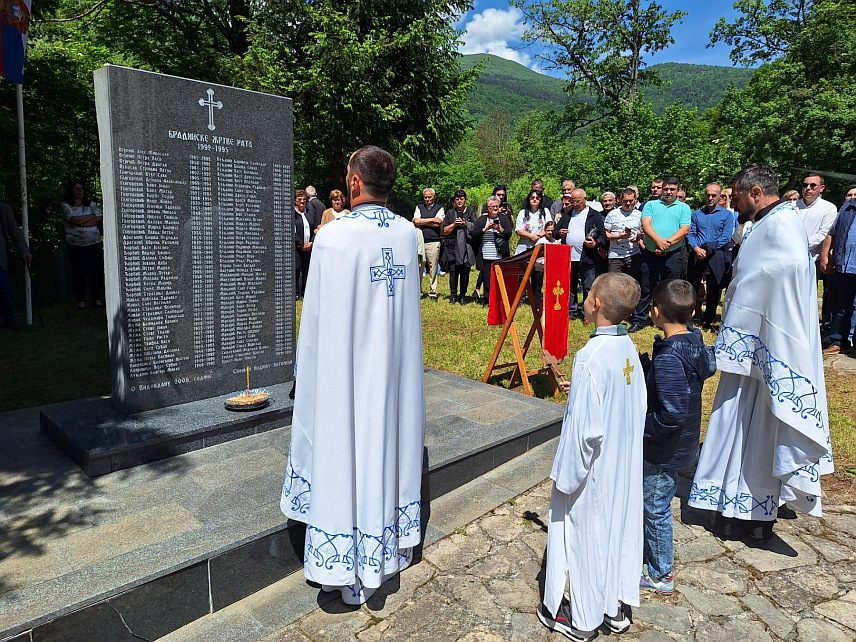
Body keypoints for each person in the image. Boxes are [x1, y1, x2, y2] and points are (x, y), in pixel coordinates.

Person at [280, 145, 424, 605]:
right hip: (393, 375)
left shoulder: (333, 237)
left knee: (345, 453)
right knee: (385, 448)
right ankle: (386, 552)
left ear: (355, 183)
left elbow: (317, 315)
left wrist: (306, 371)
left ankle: (345, 567)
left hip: (346, 373)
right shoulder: (406, 234)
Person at [689, 163, 833, 541]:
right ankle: (729, 505)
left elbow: (777, 277)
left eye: (735, 196)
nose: (731, 202)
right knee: (737, 423)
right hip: (752, 346)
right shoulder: (769, 223)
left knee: (760, 428)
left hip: (769, 346)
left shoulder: (781, 225)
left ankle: (752, 515)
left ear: (755, 193)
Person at [539, 272, 646, 641]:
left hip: (593, 472)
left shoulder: (589, 357)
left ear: (597, 304)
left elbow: (585, 433)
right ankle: (614, 607)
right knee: (617, 532)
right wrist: (577, 390)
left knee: (585, 537)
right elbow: (617, 400)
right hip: (623, 462)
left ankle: (583, 619)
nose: (583, 300)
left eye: (586, 296)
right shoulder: (627, 346)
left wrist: (565, 478)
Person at [638, 279, 716, 595]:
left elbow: (671, 414)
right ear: (693, 311)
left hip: (664, 447)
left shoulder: (670, 358)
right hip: (681, 445)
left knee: (656, 508)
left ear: (655, 312)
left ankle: (661, 574)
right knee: (659, 498)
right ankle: (654, 559)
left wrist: (641, 427)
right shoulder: (695, 343)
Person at [633, 177, 691, 333]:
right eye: (666, 189)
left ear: (678, 191)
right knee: (646, 287)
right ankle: (640, 320)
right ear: (662, 189)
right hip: (650, 253)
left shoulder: (684, 208)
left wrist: (667, 244)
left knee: (671, 288)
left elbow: (684, 229)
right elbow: (646, 224)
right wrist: (658, 241)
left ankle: (669, 319)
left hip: (672, 253)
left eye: (672, 189)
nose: (669, 192)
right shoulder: (651, 205)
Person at [686, 183, 735, 329]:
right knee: (692, 287)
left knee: (714, 289)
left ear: (720, 197)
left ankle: (708, 320)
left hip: (716, 255)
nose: (710, 198)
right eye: (708, 195)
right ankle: (689, 317)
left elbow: (726, 237)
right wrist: (696, 248)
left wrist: (710, 248)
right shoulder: (697, 214)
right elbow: (691, 233)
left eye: (714, 195)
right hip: (697, 254)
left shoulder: (726, 215)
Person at [553, 189, 607, 319]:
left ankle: (587, 313)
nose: (575, 204)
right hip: (569, 256)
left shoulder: (594, 215)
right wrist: (559, 232)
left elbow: (603, 236)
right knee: (570, 286)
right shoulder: (567, 214)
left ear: (585, 199)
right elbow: (554, 232)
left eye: (578, 201)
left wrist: (595, 244)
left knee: (588, 286)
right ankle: (572, 311)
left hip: (588, 256)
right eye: (572, 201)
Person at [797, 174, 838, 323]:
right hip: (790, 257)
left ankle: (808, 325)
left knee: (808, 295)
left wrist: (796, 245)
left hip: (812, 259)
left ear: (821, 188)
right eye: (805, 185)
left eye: (812, 185)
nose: (808, 188)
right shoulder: (792, 207)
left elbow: (823, 234)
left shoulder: (828, 208)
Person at [820, 197, 856, 354]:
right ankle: (838, 341)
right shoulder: (848, 207)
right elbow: (832, 233)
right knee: (840, 305)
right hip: (844, 265)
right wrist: (825, 256)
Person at [62, 180, 104, 309]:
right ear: (71, 190)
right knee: (78, 273)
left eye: (81, 188)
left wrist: (82, 221)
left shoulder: (90, 203)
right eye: (77, 188)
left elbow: (100, 217)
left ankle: (96, 298)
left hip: (94, 243)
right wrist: (90, 218)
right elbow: (73, 220)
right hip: (76, 245)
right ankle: (81, 300)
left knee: (96, 272)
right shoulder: (66, 205)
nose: (80, 191)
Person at [471, 195, 512, 305]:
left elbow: (509, 233)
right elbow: (474, 234)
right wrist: (485, 229)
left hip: (500, 255)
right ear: (488, 208)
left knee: (500, 280)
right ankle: (487, 300)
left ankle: (499, 301)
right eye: (492, 207)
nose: (495, 209)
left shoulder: (503, 218)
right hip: (486, 255)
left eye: (496, 206)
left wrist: (500, 229)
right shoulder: (482, 219)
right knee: (487, 281)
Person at [440, 190, 476, 304]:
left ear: (465, 199)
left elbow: (476, 228)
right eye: (457, 199)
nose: (459, 201)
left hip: (466, 247)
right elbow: (444, 231)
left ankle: (462, 296)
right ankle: (453, 295)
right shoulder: (450, 213)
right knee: (453, 272)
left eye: (461, 199)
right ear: (454, 201)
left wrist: (466, 224)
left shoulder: (470, 211)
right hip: (452, 246)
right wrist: (454, 224)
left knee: (465, 272)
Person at [0, 200, 32, 328]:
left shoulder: (3, 208)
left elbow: (15, 233)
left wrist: (25, 251)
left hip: (0, 260)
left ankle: (9, 320)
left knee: (4, 291)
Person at [413, 188, 444, 301]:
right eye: (425, 197)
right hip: (420, 242)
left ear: (434, 197)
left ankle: (433, 292)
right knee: (419, 267)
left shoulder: (439, 208)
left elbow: (438, 222)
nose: (427, 199)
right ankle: (418, 292)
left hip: (434, 241)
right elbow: (415, 221)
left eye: (429, 197)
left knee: (433, 268)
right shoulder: (419, 207)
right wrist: (431, 220)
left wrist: (423, 221)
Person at [294, 189, 320, 299]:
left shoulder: (309, 214)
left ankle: (305, 292)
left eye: (304, 199)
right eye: (299, 199)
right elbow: (292, 231)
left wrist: (311, 242)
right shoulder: (292, 214)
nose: (302, 201)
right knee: (296, 268)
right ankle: (295, 292)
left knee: (307, 269)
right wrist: (301, 243)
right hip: (297, 247)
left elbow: (315, 229)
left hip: (309, 247)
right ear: (295, 200)